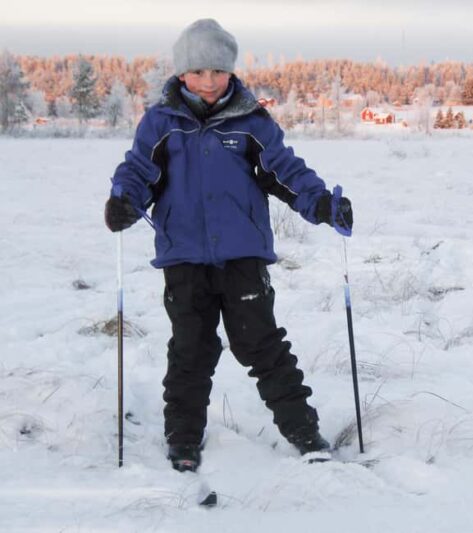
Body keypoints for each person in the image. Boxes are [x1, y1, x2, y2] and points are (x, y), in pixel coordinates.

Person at [104, 18, 353, 472]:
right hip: (183, 256)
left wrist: (320, 204)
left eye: (218, 72)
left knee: (262, 345)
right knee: (190, 350)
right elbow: (140, 173)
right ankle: (183, 441)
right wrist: (124, 202)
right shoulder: (161, 123)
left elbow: (284, 169)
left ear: (230, 73)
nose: (209, 81)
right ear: (182, 74)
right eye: (198, 72)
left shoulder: (251, 120)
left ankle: (304, 432)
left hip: (242, 254)